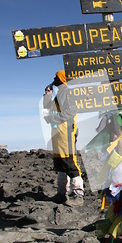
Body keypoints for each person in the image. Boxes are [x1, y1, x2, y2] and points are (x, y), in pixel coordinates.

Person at [43, 70, 84, 207]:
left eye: (56, 77)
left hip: (66, 132)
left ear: (61, 78)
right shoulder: (59, 94)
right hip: (58, 134)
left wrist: (52, 118)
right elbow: (48, 111)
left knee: (69, 163)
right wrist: (47, 96)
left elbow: (70, 112)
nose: (54, 79)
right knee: (60, 165)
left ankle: (78, 195)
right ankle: (61, 194)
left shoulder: (67, 93)